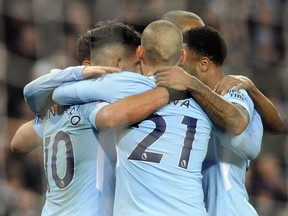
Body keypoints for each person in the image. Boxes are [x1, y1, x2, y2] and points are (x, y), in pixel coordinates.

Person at [30, 20, 213, 215]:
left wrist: (65, 76)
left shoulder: (125, 86)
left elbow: (56, 98)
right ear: (183, 56)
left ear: (141, 52)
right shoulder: (207, 100)